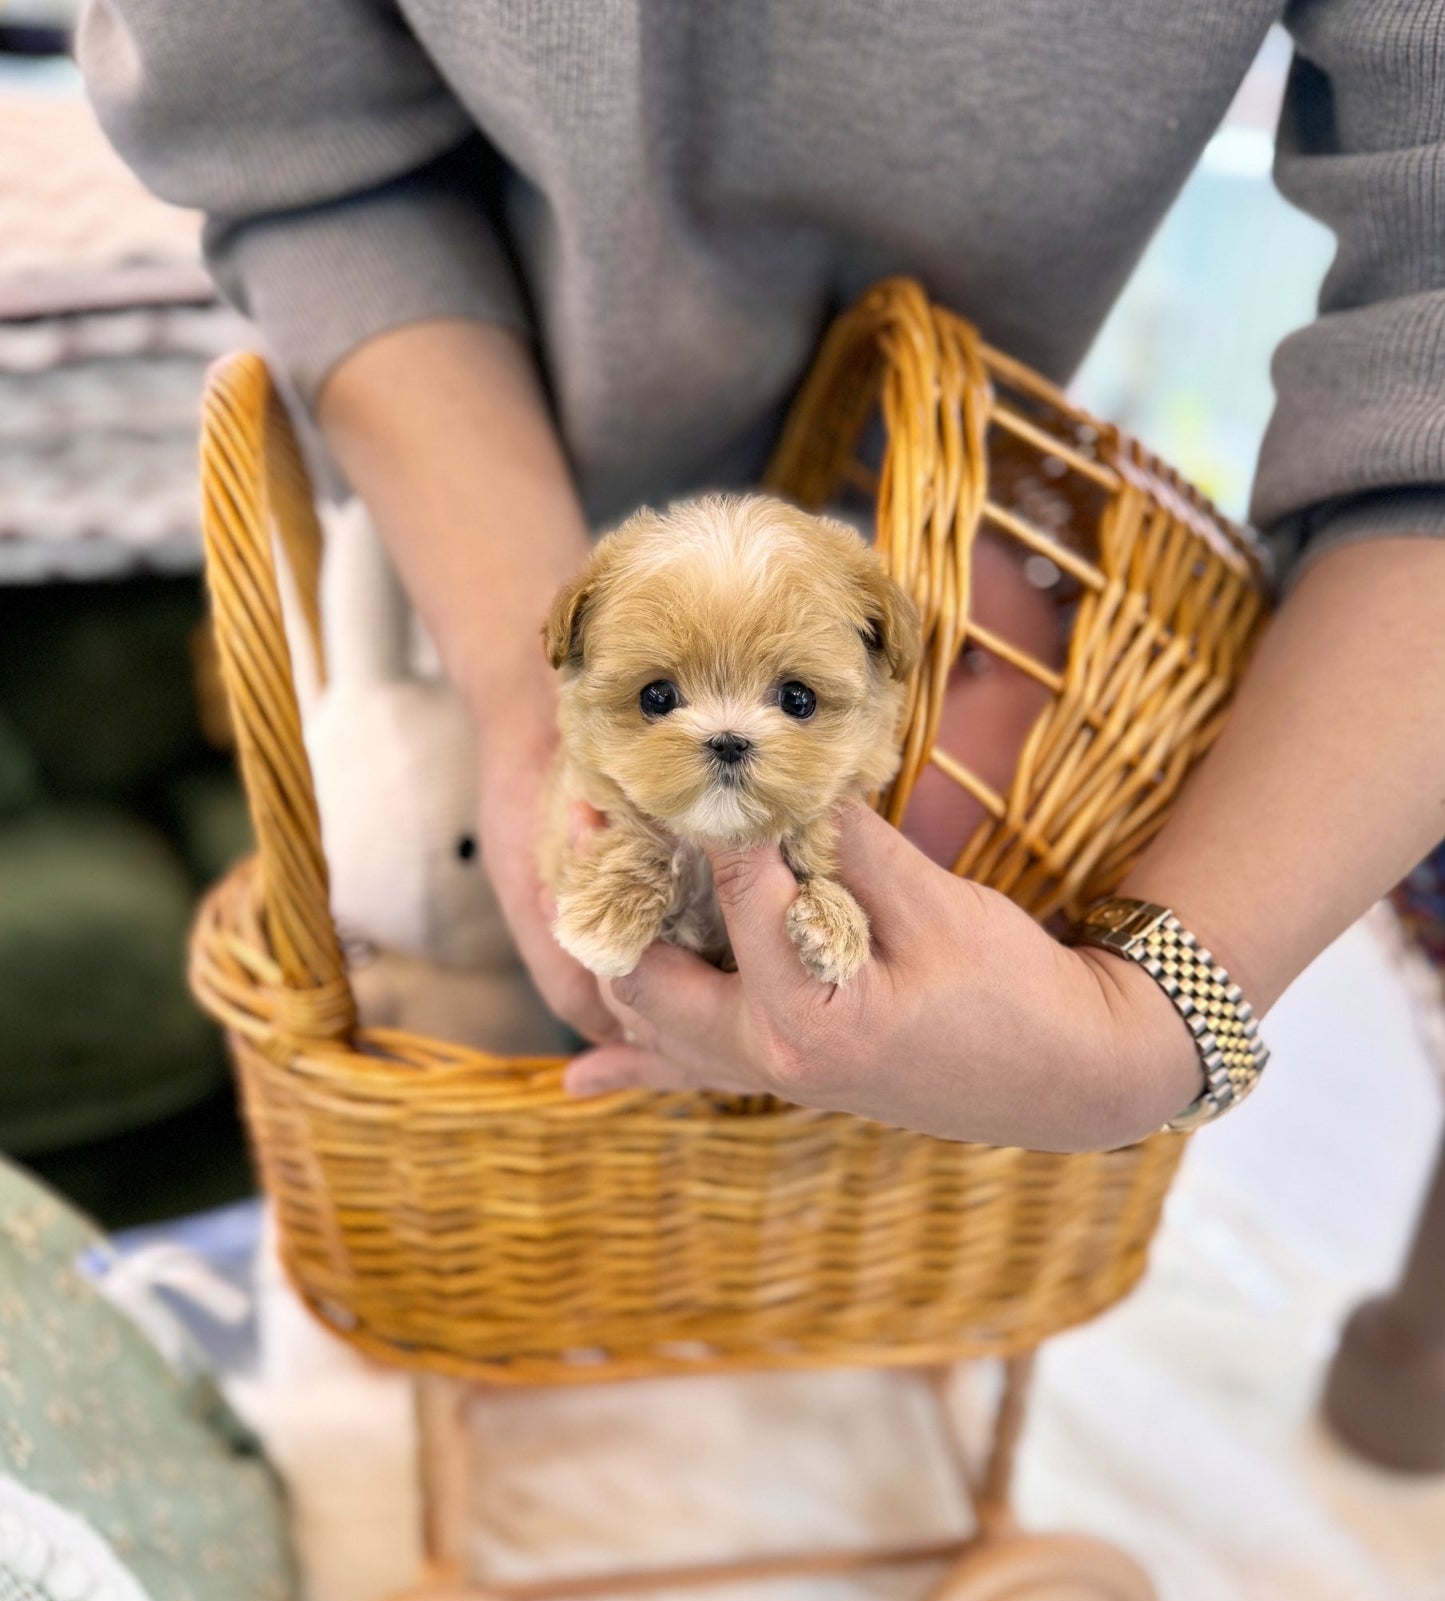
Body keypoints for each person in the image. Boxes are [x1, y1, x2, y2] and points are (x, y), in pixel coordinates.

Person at [80, 2, 1445, 1151]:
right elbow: (287, 133)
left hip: (937, 480)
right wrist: (522, 699)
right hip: (463, 499)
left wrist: (1154, 1025)